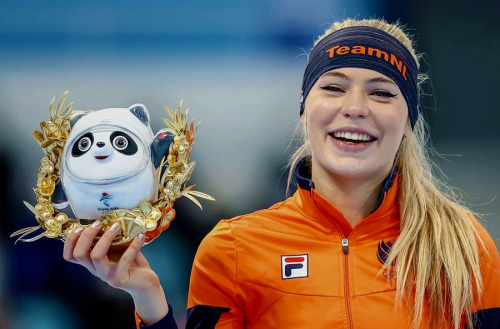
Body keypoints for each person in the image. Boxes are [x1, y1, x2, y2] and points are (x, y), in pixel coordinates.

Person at [62, 18, 500, 329]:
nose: (355, 107)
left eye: (382, 92)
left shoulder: (462, 247)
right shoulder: (233, 249)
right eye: (333, 87)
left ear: (408, 122)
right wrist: (149, 299)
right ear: (305, 109)